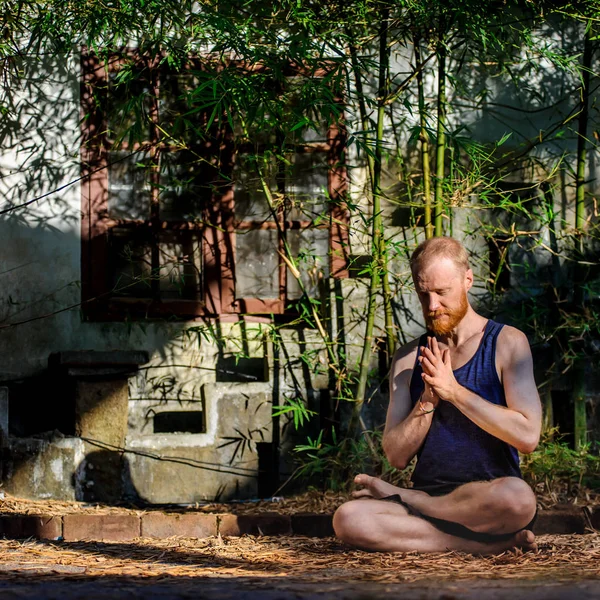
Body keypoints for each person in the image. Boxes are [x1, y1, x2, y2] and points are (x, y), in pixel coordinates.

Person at [333, 236, 542, 554]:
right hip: (426, 506)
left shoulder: (507, 343)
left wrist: (454, 392)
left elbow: (527, 437)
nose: (432, 306)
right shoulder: (407, 358)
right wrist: (428, 400)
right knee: (348, 519)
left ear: (468, 280)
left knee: (519, 498)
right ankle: (482, 547)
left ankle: (411, 500)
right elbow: (396, 455)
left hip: (488, 502)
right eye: (423, 293)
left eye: (442, 292)